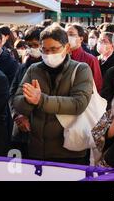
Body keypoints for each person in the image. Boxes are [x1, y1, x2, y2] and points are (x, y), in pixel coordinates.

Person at [13, 24, 93, 164]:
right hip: (37, 150)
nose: (49, 54)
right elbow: (18, 100)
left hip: (69, 150)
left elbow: (78, 104)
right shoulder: (34, 69)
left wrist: (41, 100)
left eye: (54, 49)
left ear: (67, 48)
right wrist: (28, 102)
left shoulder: (81, 69)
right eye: (44, 50)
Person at [9, 26, 44, 157]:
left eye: (35, 45)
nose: (31, 49)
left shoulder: (51, 67)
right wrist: (17, 115)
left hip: (41, 132)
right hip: (19, 130)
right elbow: (12, 93)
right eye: (28, 45)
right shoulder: (23, 66)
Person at [66, 24, 103, 94]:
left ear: (81, 39)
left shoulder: (91, 59)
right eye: (65, 34)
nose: (67, 37)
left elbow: (97, 86)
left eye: (71, 34)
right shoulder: (60, 57)